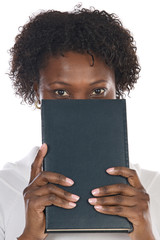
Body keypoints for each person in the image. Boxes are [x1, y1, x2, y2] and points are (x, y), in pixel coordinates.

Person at [0, 5, 159, 240]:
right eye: (61, 93)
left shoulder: (153, 187)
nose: (82, 106)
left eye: (98, 91)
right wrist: (30, 234)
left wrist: (145, 232)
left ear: (117, 91)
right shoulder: (6, 186)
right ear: (37, 93)